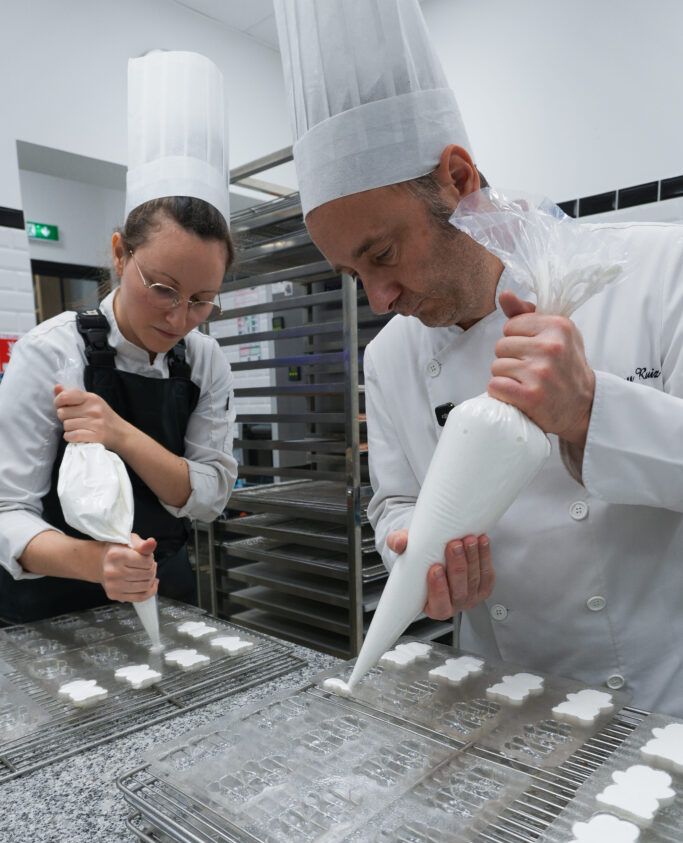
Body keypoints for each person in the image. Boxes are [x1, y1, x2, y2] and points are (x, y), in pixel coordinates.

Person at [275, 0, 683, 716]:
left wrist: (590, 412)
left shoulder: (656, 270)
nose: (378, 298)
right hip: (494, 702)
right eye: (352, 275)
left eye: (382, 254)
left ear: (457, 177)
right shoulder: (392, 357)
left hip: (656, 701)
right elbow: (394, 500)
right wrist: (411, 558)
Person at [0, 51, 237, 623]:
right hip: (53, 604)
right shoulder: (49, 353)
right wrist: (96, 562)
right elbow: (7, 512)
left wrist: (121, 434)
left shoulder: (205, 362)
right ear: (117, 253)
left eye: (202, 300)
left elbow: (208, 497)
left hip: (165, 588)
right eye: (162, 288)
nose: (180, 318)